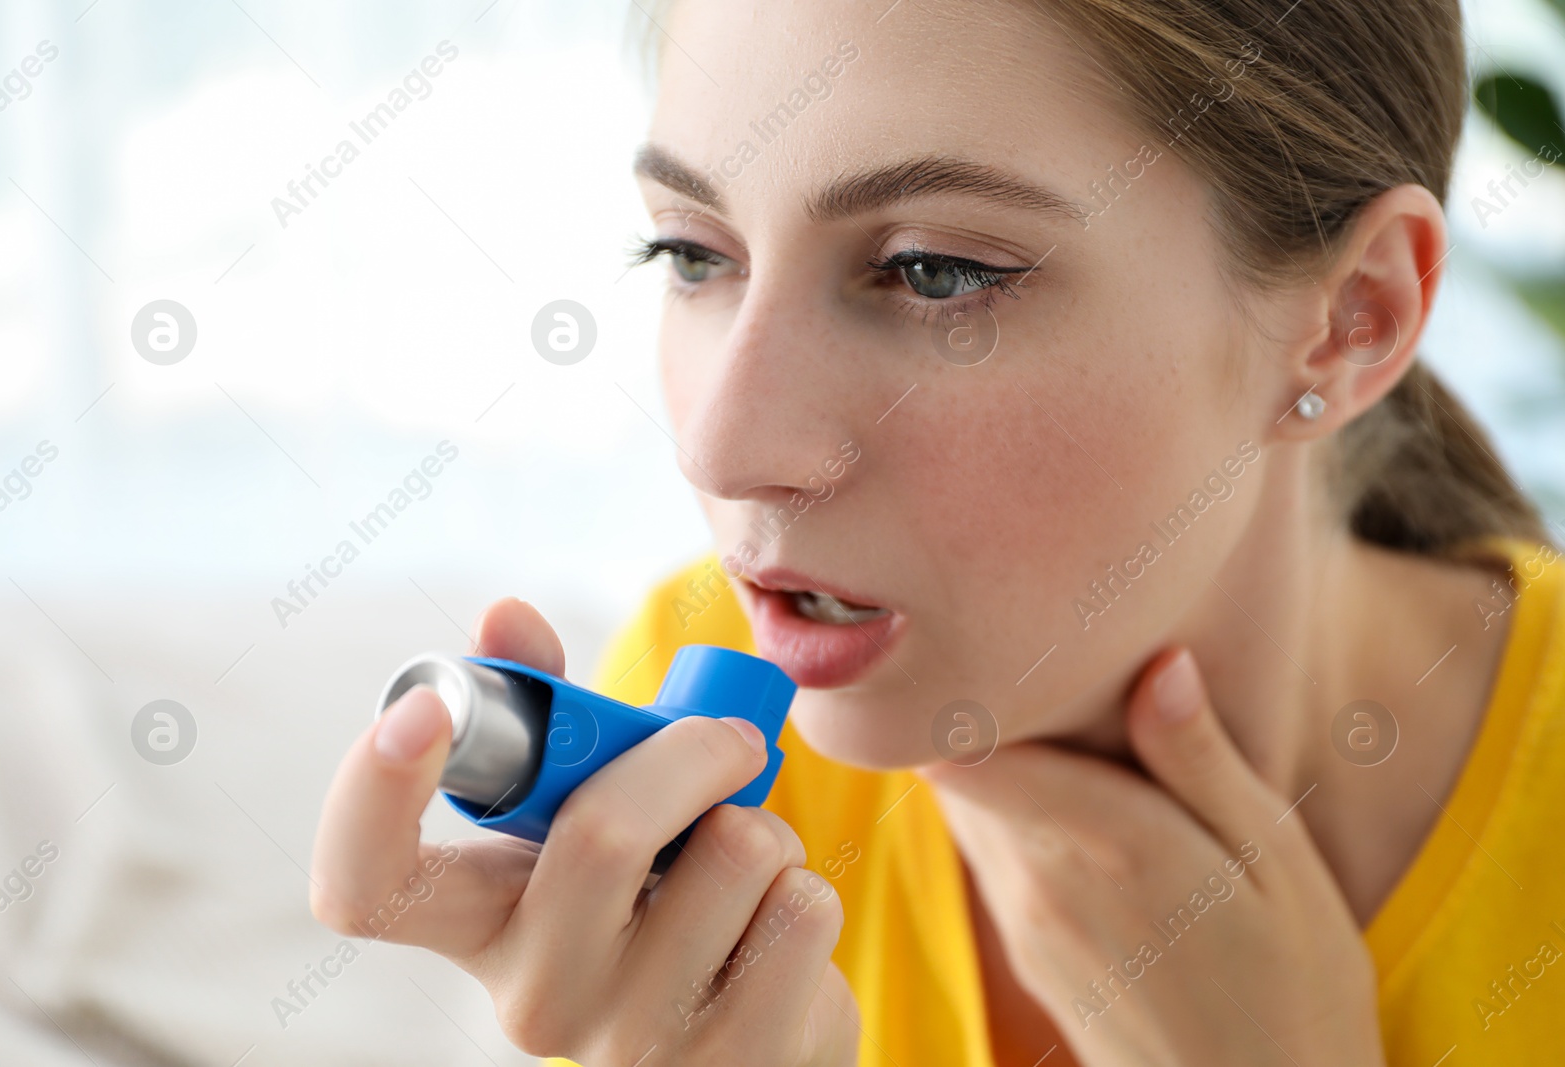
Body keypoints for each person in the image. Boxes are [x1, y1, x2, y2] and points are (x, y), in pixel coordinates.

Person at [311, 0, 1565, 1062]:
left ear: (1352, 317)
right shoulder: (700, 749)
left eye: (933, 273)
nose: (721, 448)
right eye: (692, 253)